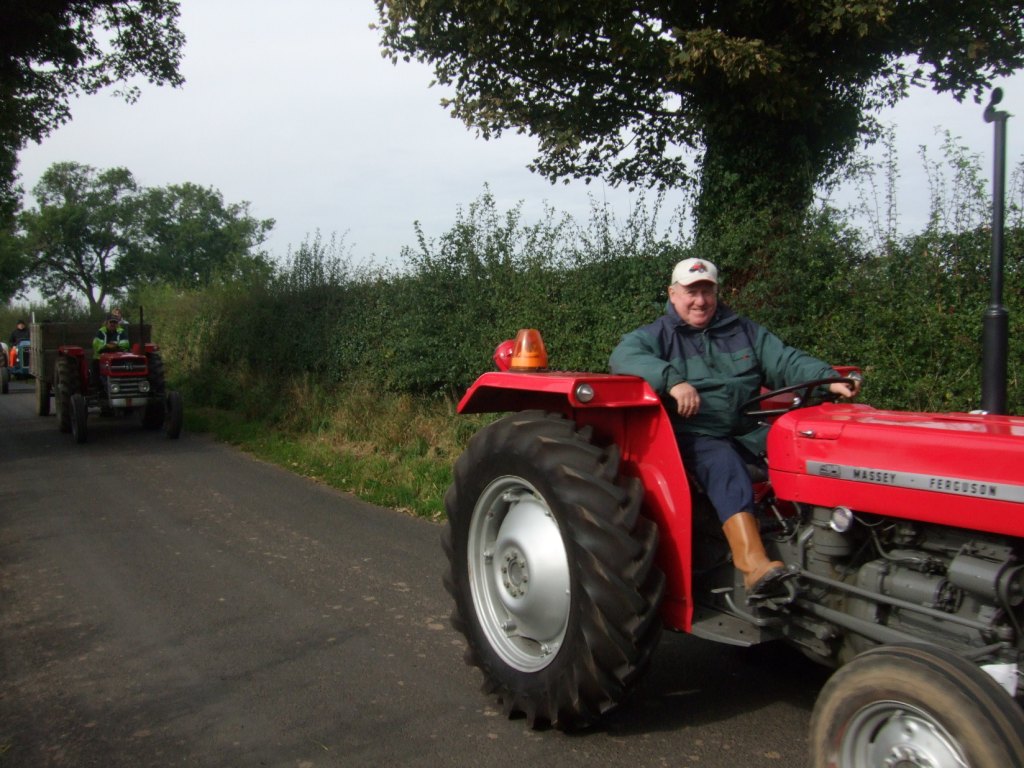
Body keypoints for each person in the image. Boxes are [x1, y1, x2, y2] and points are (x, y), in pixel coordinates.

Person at [609, 257, 860, 600]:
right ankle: (753, 565)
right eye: (691, 292)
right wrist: (673, 381)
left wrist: (827, 379)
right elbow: (623, 357)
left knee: (809, 451)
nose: (700, 301)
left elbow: (785, 360)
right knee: (724, 465)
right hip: (696, 433)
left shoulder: (742, 331)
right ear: (673, 293)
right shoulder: (656, 336)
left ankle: (831, 542)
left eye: (707, 292)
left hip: (748, 430)